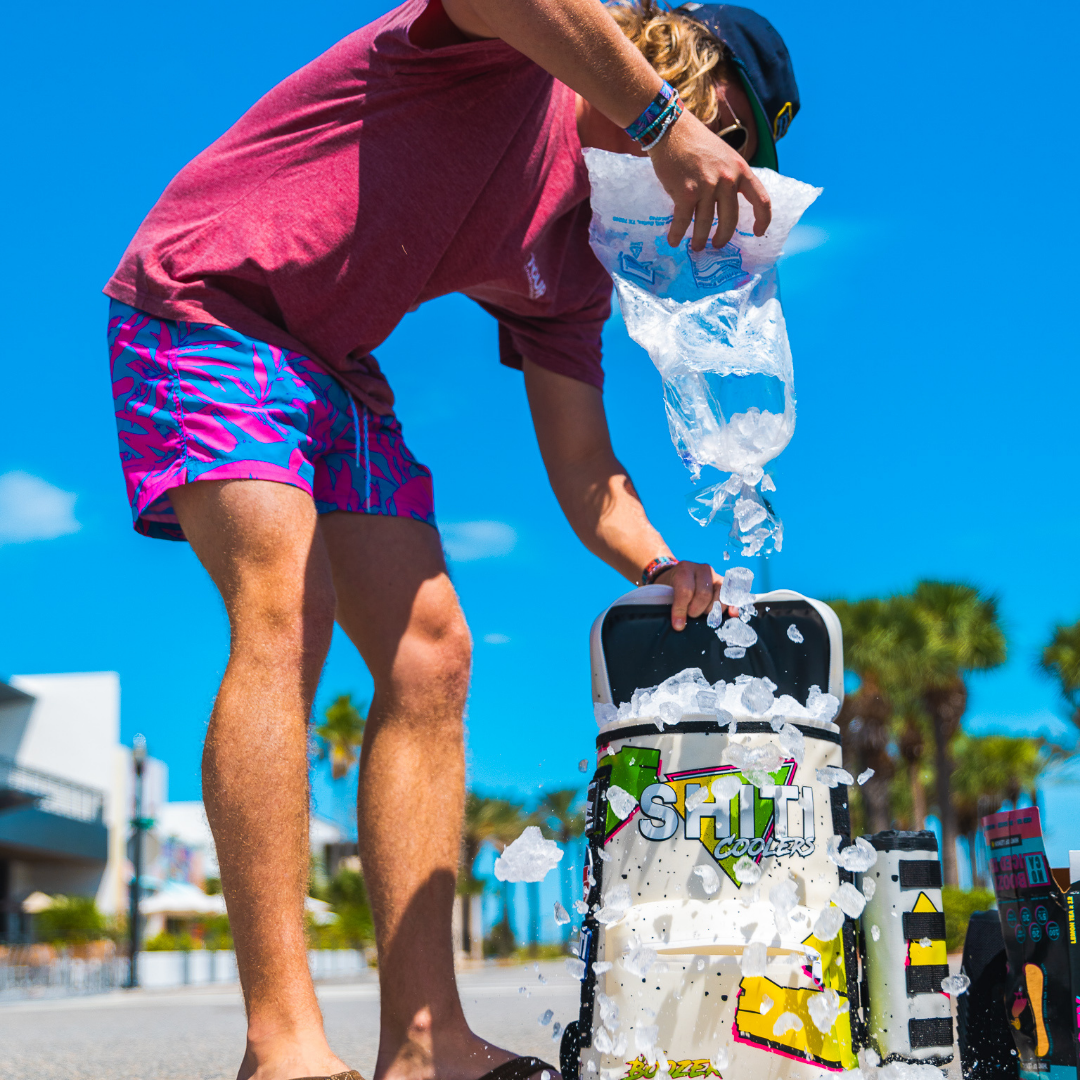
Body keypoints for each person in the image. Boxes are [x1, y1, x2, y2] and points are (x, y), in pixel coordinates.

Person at [103, 1, 799, 1078]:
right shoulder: (522, 52)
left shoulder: (572, 266)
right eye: (734, 137)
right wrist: (665, 122)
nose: (721, 175)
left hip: (329, 364)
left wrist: (661, 563)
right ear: (686, 69)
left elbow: (587, 472)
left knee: (435, 652)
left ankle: (425, 1043)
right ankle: (280, 1045)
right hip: (210, 298)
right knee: (285, 610)